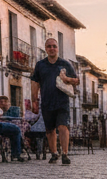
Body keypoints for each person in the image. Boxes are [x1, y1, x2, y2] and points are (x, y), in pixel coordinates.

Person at [30, 37, 79, 165]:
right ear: (46, 49)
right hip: (46, 101)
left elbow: (76, 80)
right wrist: (34, 100)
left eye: (54, 46)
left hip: (62, 101)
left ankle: (65, 154)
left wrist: (67, 79)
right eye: (49, 46)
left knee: (63, 126)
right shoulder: (40, 65)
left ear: (58, 49)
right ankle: (54, 153)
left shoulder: (65, 64)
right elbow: (35, 82)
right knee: (50, 129)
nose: (52, 48)